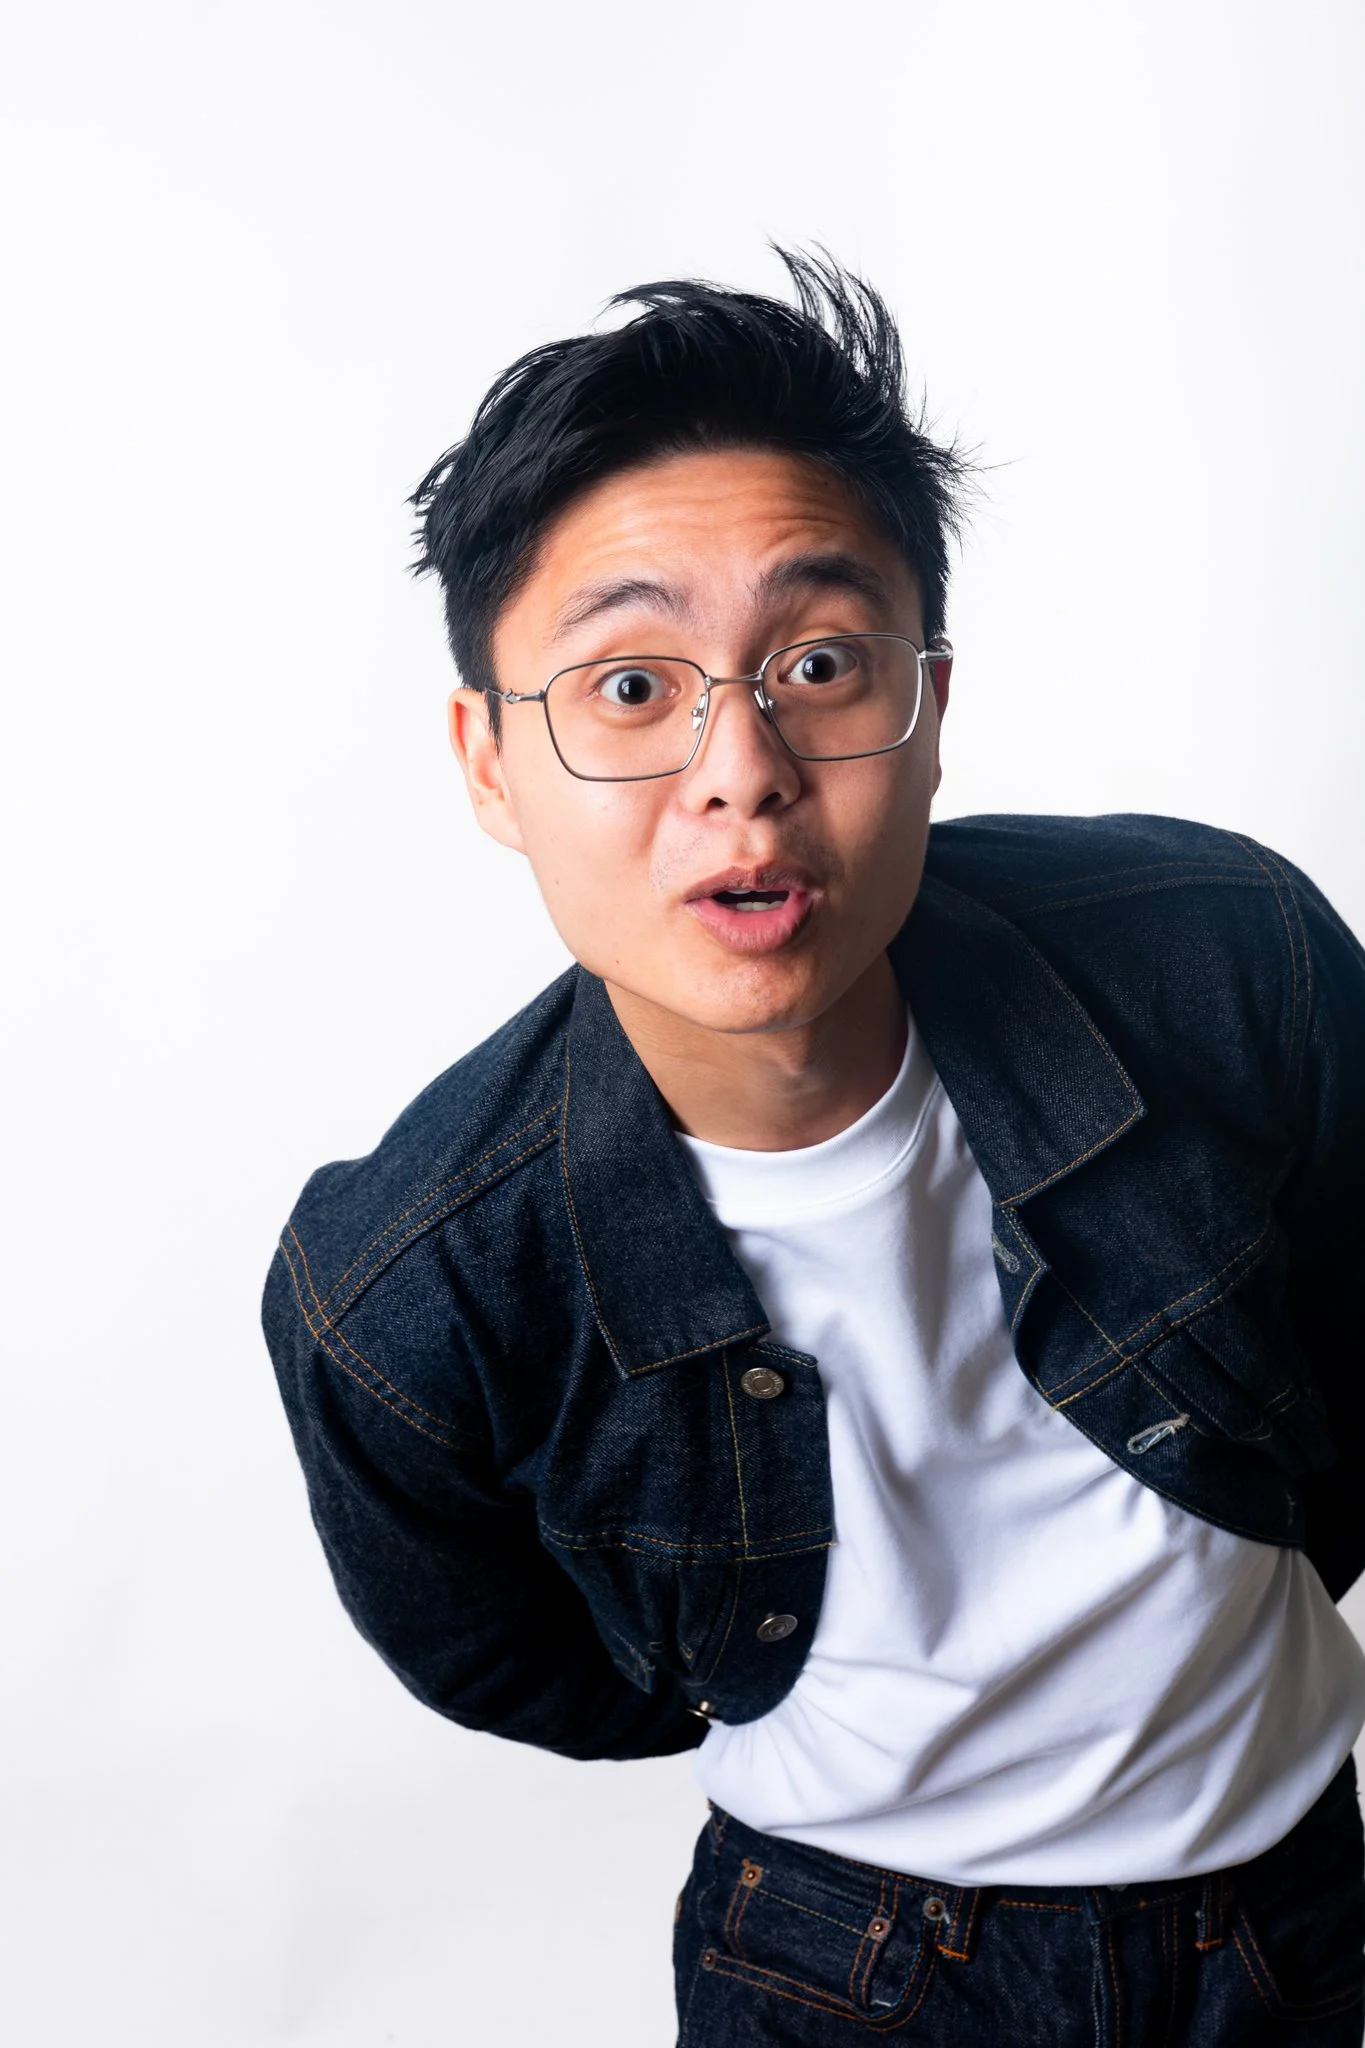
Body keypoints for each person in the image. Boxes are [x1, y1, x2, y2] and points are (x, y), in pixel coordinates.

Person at [262, 250, 1365, 2045]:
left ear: (928, 706)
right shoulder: (407, 1292)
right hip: (834, 1971)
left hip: (1305, 1921)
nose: (743, 767)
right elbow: (504, 1652)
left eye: (820, 662)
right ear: (487, 762)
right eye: (630, 689)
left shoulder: (1223, 961)